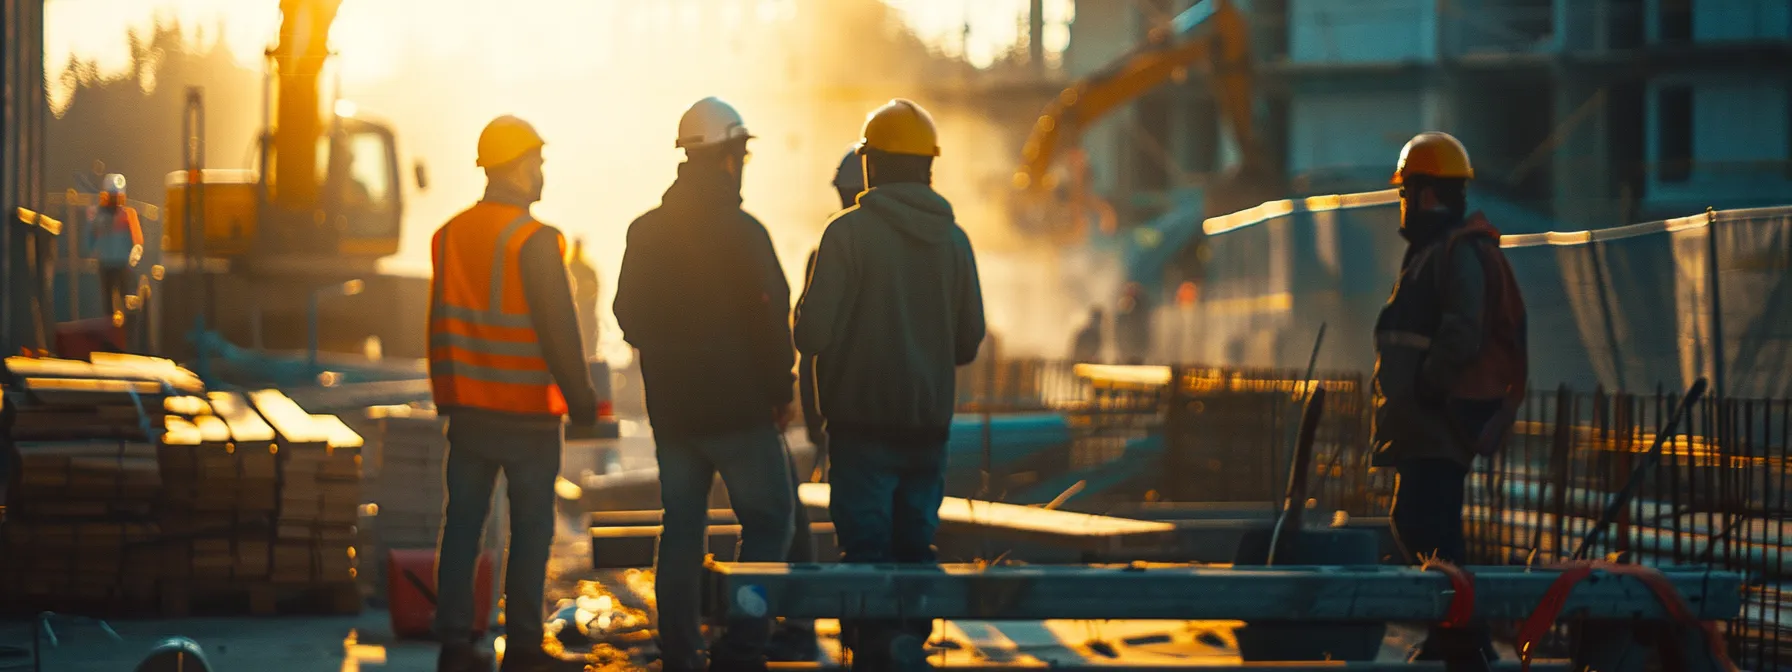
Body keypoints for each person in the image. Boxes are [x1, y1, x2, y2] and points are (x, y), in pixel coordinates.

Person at [794, 99, 986, 672]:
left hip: (860, 431)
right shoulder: (955, 243)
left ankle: (875, 651)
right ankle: (910, 643)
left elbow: (810, 336)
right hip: (927, 430)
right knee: (914, 548)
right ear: (929, 167)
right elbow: (967, 343)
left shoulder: (846, 236)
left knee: (865, 553)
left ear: (870, 165)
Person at [613, 96, 797, 672]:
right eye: (740, 153)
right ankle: (743, 646)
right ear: (725, 157)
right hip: (741, 413)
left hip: (674, 415)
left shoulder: (645, 232)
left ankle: (680, 654)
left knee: (682, 528)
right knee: (769, 523)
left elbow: (627, 315)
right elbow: (773, 318)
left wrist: (671, 354)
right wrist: (779, 389)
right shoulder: (745, 234)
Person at [428, 115, 602, 672]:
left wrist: (448, 398)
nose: (543, 173)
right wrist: (580, 403)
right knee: (531, 530)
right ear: (519, 168)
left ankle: (455, 645)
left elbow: (437, 325)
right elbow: (560, 330)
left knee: (462, 526)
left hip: (470, 413)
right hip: (527, 415)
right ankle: (524, 647)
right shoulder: (536, 239)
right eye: (539, 163)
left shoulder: (448, 235)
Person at [1371, 131, 1525, 664]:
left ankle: (1466, 642)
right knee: (1419, 524)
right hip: (1419, 426)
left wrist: (1429, 385)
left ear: (1426, 191)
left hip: (1438, 425)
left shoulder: (1456, 252)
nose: (1402, 203)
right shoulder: (1430, 253)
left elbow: (1463, 329)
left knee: (1428, 525)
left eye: (1406, 191)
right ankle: (1455, 634)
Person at [84, 173, 143, 319]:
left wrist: (134, 255)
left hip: (122, 264)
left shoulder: (127, 214)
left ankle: (127, 328)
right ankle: (111, 329)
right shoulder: (98, 215)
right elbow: (91, 237)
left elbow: (137, 240)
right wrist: (91, 253)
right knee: (107, 303)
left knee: (126, 298)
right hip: (105, 263)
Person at [568, 238, 601, 358]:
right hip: (579, 315)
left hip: (584, 314)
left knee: (588, 348)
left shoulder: (571, 267)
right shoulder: (572, 267)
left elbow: (595, 291)